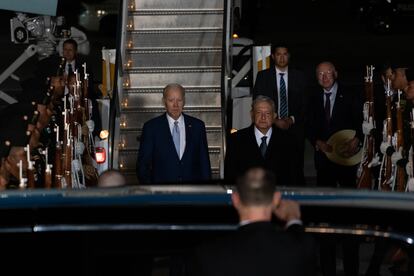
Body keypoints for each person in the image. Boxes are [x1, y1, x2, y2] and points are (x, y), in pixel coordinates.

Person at [192, 167, 317, 276]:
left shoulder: (209, 255)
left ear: (235, 199)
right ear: (276, 199)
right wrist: (293, 217)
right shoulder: (300, 248)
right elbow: (301, 238)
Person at [307, 61, 363, 276]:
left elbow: (362, 120)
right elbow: (308, 125)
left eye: (328, 73)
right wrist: (316, 141)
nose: (324, 77)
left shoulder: (350, 94)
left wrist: (357, 138)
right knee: (326, 223)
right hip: (324, 165)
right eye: (320, 73)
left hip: (348, 164)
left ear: (336, 74)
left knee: (349, 221)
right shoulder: (312, 97)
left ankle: (351, 270)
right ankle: (328, 270)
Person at [253, 44, 307, 186]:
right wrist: (275, 120)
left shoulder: (299, 76)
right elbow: (257, 101)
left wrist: (291, 119)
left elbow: (305, 103)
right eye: (278, 54)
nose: (282, 57)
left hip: (294, 128)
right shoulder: (263, 76)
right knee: (273, 164)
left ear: (288, 56)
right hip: (271, 127)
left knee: (295, 166)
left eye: (285, 54)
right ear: (273, 56)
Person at [137, 83, 211, 184]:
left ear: (184, 102)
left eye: (179, 100)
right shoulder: (151, 128)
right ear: (164, 102)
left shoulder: (198, 126)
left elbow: (204, 164)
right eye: (171, 100)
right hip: (161, 195)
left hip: (192, 195)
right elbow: (143, 166)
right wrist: (152, 191)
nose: (175, 105)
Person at [224, 96, 279, 183]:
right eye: (259, 113)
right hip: (246, 194)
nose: (263, 117)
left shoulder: (288, 141)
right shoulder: (236, 140)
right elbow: (230, 176)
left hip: (279, 194)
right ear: (252, 114)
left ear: (274, 116)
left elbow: (296, 177)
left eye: (267, 113)